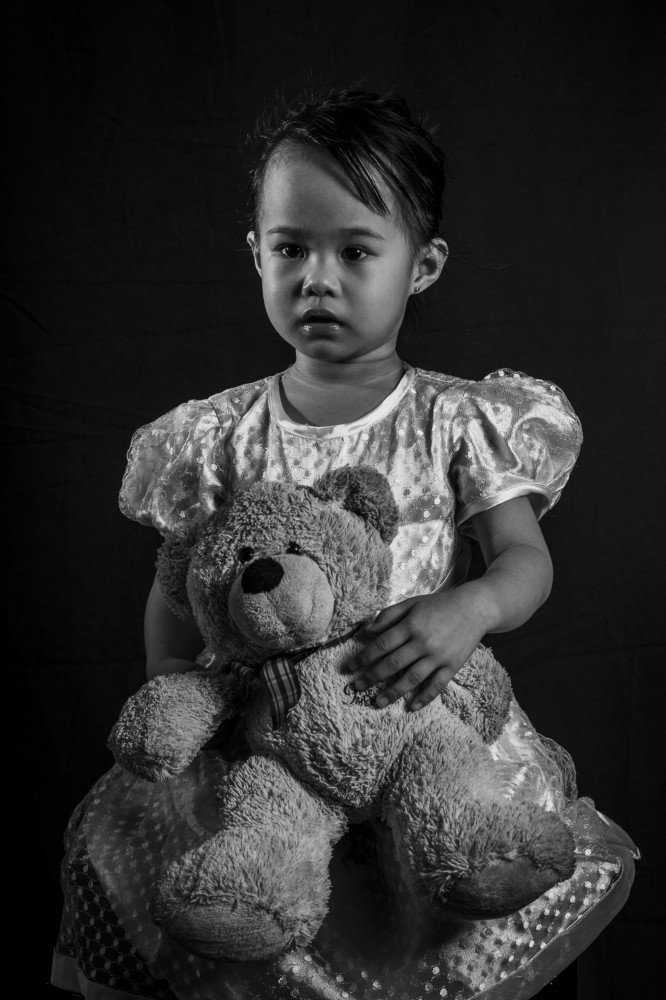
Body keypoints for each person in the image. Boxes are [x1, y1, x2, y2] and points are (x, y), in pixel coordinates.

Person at [52, 88, 637, 1000]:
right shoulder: (218, 436)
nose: (317, 278)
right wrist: (178, 691)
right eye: (291, 249)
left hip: (421, 733)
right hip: (270, 754)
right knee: (248, 931)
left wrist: (471, 607)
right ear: (257, 253)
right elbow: (175, 592)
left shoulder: (457, 420)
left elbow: (526, 561)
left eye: (356, 251)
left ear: (423, 265)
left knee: (459, 910)